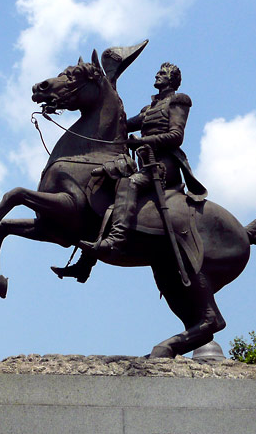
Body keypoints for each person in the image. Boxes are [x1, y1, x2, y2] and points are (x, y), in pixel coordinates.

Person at [51, 62, 207, 281]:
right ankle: (85, 264)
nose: (157, 74)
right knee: (103, 188)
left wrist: (143, 140)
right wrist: (108, 91)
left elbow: (176, 136)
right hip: (146, 163)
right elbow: (122, 125)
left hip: (164, 165)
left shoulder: (179, 100)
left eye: (163, 73)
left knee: (129, 183)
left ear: (172, 80)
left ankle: (116, 239)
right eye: (158, 71)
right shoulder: (150, 107)